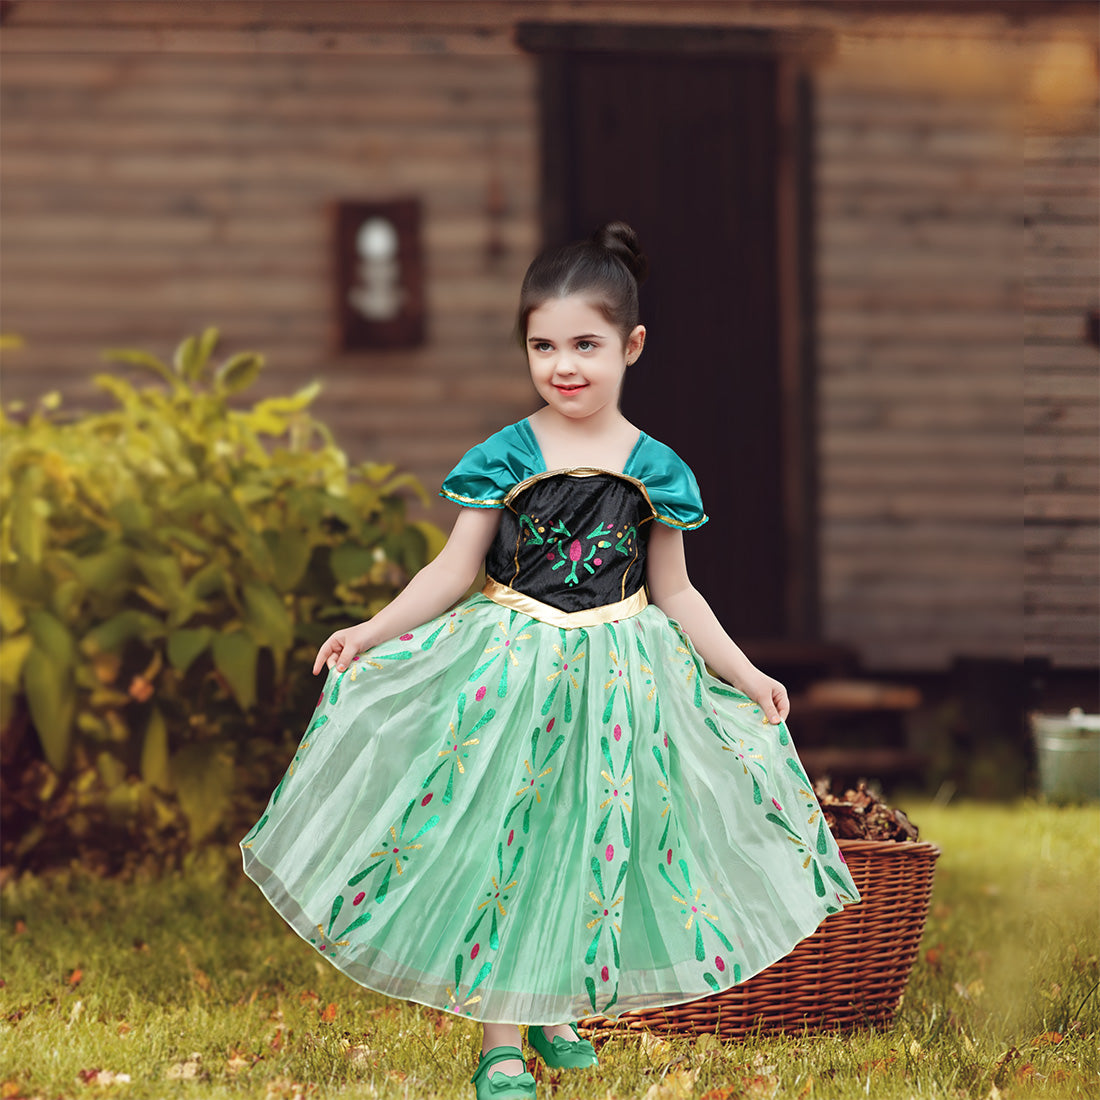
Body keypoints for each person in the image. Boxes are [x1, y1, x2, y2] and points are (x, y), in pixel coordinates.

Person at [240, 222, 861, 1100]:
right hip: (512, 677)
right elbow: (454, 569)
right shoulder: (507, 457)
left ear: (631, 347)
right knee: (511, 836)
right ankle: (500, 1042)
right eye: (542, 346)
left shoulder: (658, 469)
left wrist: (744, 672)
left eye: (585, 345)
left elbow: (677, 593)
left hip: (621, 687)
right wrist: (371, 630)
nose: (563, 365)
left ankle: (553, 1001)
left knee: (591, 835)